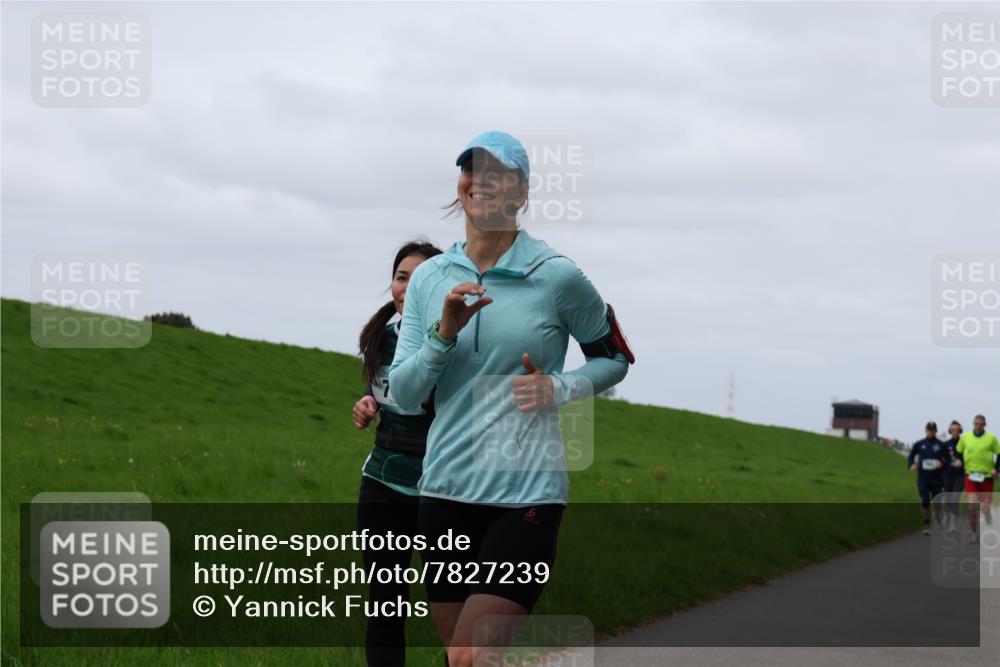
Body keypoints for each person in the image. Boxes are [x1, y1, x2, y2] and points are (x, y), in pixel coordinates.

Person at [388, 131, 632, 667]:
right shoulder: (430, 278)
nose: (480, 182)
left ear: (521, 193)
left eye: (498, 174)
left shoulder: (556, 276)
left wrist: (558, 387)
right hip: (445, 490)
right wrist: (441, 337)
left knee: (470, 656)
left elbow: (615, 358)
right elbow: (404, 397)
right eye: (472, 170)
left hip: (526, 494)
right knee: (467, 657)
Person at [353, 240, 443, 667]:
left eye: (419, 276)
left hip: (441, 490)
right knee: (385, 605)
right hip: (382, 484)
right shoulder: (380, 338)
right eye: (401, 276)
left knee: (452, 606)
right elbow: (381, 393)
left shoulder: (452, 339)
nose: (407, 285)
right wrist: (366, 404)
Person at [956, 414, 1000, 543]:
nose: (978, 426)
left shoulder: (991, 439)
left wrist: (996, 469)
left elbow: (999, 454)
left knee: (984, 507)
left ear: (985, 425)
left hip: (986, 477)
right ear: (973, 424)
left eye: (981, 424)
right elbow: (958, 451)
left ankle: (987, 514)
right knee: (972, 505)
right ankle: (974, 534)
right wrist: (959, 460)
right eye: (976, 424)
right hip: (970, 475)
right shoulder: (965, 438)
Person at [908, 421, 949, 535]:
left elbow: (948, 459)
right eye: (929, 429)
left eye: (933, 430)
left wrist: (942, 463)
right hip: (923, 478)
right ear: (926, 430)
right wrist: (911, 464)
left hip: (937, 478)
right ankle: (927, 524)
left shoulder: (941, 445)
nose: (931, 431)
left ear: (936, 431)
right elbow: (911, 456)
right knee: (925, 500)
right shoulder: (919, 444)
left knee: (937, 501)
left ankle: (938, 520)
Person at [942, 420, 965, 532]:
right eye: (953, 430)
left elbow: (969, 458)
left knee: (955, 498)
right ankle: (947, 515)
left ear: (960, 431)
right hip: (947, 475)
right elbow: (942, 460)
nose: (955, 432)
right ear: (950, 431)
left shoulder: (964, 444)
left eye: (957, 430)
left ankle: (953, 524)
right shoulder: (946, 445)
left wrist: (961, 462)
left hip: (960, 476)